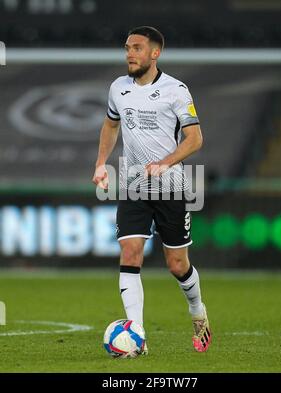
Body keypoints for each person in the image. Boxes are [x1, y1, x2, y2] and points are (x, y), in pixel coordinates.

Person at [92, 26, 211, 353]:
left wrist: (166, 162)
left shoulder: (176, 91)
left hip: (171, 188)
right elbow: (110, 124)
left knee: (176, 264)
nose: (129, 53)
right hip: (134, 187)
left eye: (137, 48)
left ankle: (197, 310)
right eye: (127, 47)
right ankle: (136, 335)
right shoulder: (118, 88)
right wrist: (101, 163)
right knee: (130, 253)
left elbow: (195, 139)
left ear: (154, 53)